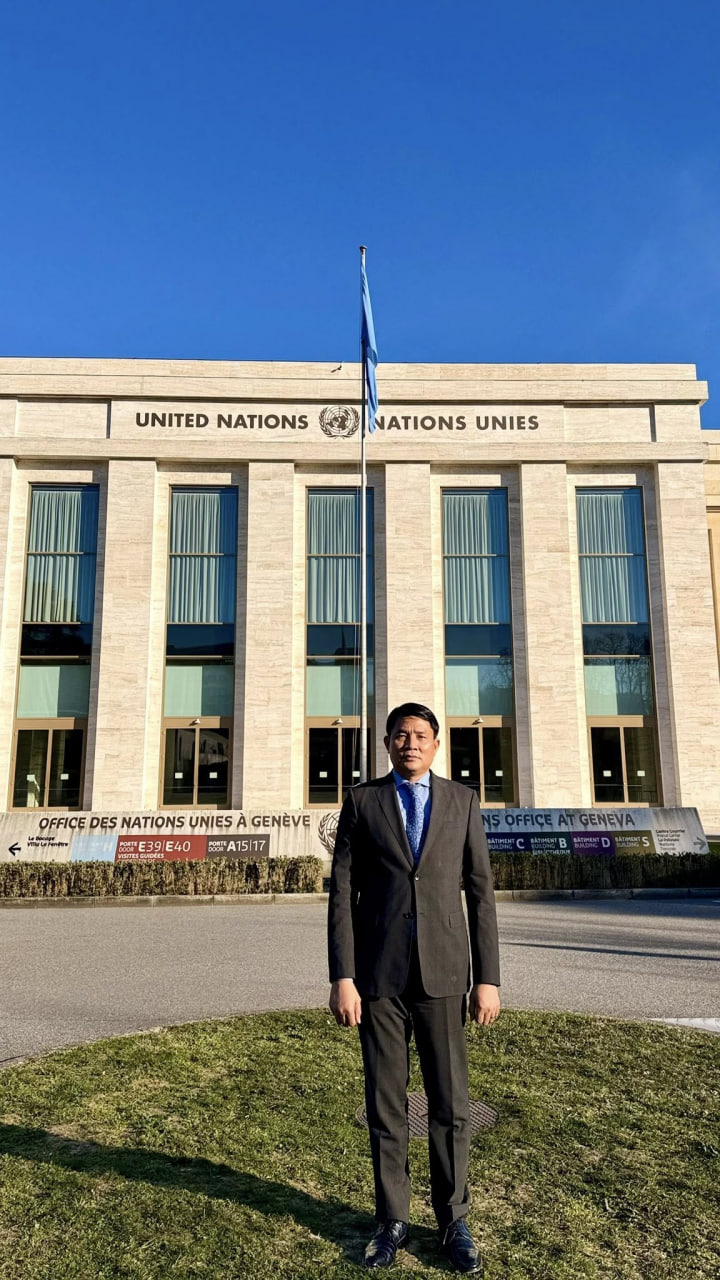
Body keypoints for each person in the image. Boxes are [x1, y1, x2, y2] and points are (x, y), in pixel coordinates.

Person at [328, 702, 501, 1273]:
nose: (411, 744)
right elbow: (342, 894)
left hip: (445, 976)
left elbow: (480, 893)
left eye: (421, 735)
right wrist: (343, 976)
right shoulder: (362, 801)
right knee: (386, 1104)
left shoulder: (462, 801)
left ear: (436, 744)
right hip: (377, 979)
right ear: (387, 743)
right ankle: (392, 1220)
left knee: (450, 1103)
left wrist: (487, 978)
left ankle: (453, 1220)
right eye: (401, 735)